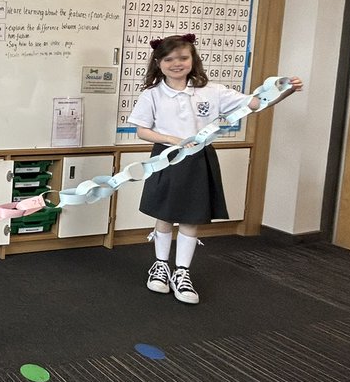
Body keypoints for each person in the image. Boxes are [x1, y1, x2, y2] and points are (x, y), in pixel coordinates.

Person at [127, 33, 302, 305]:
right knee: (164, 213)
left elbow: (254, 104)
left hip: (199, 158)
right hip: (168, 157)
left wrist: (284, 91)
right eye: (170, 59)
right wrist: (173, 140)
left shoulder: (214, 91)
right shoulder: (152, 95)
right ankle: (161, 266)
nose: (177, 64)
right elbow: (142, 131)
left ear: (192, 60)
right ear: (158, 63)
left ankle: (182, 272)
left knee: (190, 216)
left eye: (183, 58)